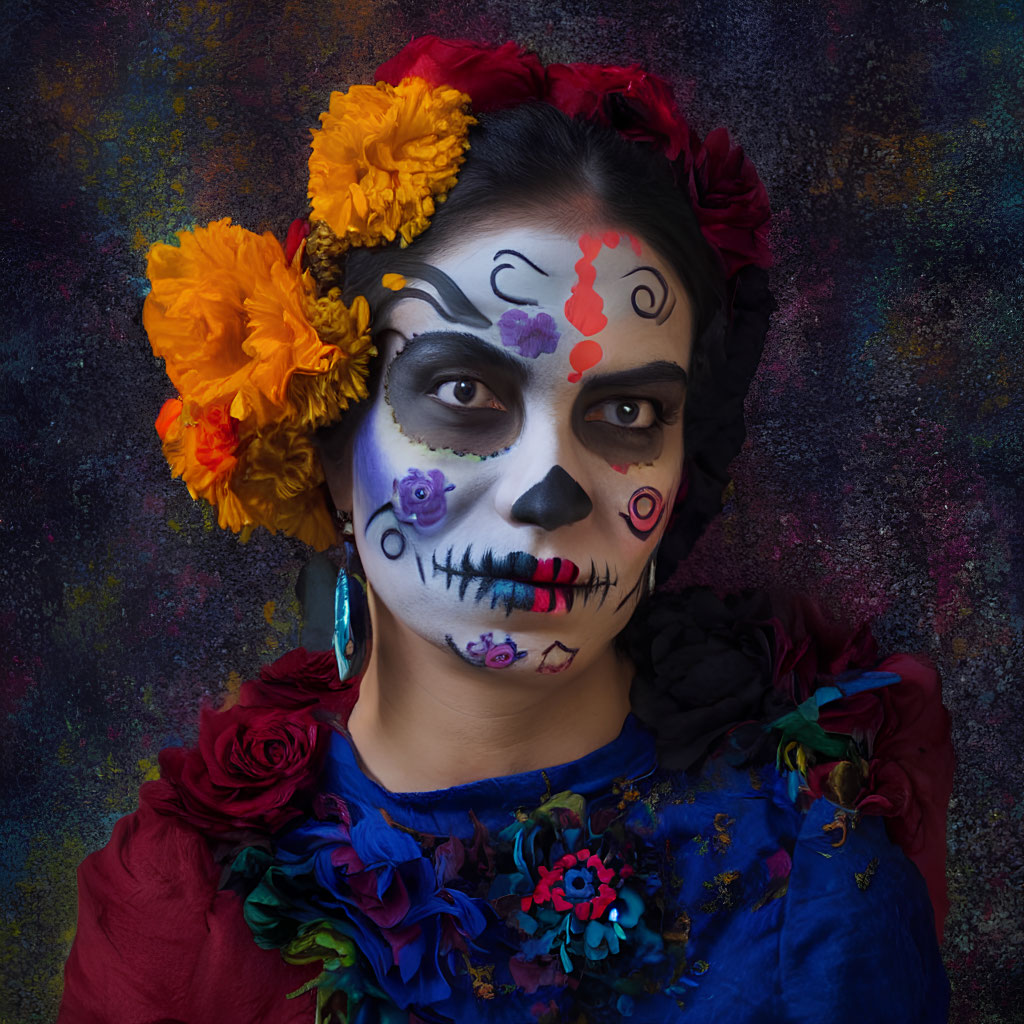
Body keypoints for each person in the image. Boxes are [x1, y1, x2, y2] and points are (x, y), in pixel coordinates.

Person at [58, 36, 953, 1024]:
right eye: (461, 391)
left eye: (625, 416)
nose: (549, 488)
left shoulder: (811, 883)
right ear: (324, 440)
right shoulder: (189, 909)